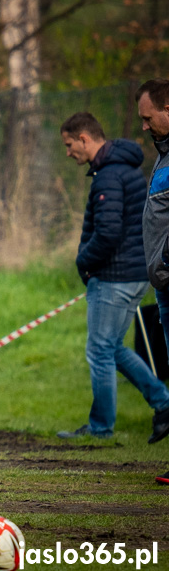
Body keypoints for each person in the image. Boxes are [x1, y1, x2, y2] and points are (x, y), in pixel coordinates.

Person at [55, 112, 169, 444]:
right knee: (113, 348)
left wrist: (84, 263)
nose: (68, 152)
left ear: (84, 139)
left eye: (69, 145)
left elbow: (107, 232)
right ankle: (163, 404)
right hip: (133, 273)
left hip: (115, 276)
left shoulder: (108, 176)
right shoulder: (125, 168)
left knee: (100, 350)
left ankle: (101, 427)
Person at [136, 79, 169, 485]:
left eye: (148, 118)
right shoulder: (162, 158)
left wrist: (165, 259)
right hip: (163, 286)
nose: (144, 126)